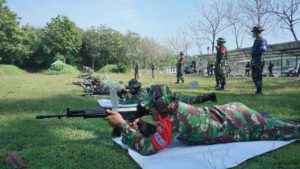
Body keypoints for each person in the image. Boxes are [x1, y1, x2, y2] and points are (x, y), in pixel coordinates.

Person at [105, 84, 300, 156]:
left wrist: (122, 125)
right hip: (229, 112)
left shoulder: (176, 119)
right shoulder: (172, 112)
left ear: (162, 105)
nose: (148, 111)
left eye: (150, 108)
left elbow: (148, 148)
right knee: (275, 122)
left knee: (284, 129)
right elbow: (163, 130)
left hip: (240, 123)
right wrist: (144, 126)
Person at [119, 79, 217, 105]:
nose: (129, 90)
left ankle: (210, 96)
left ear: (134, 89)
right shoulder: (141, 91)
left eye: (130, 89)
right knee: (189, 99)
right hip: (165, 93)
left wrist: (122, 99)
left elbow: (131, 102)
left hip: (166, 97)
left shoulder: (140, 94)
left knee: (190, 100)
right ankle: (210, 96)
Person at [251, 26, 267, 95]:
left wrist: (260, 62)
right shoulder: (256, 41)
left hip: (259, 61)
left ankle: (259, 91)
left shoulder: (262, 40)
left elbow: (263, 50)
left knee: (258, 76)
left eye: (254, 32)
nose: (253, 34)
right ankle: (258, 90)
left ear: (257, 32)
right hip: (255, 61)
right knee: (254, 76)